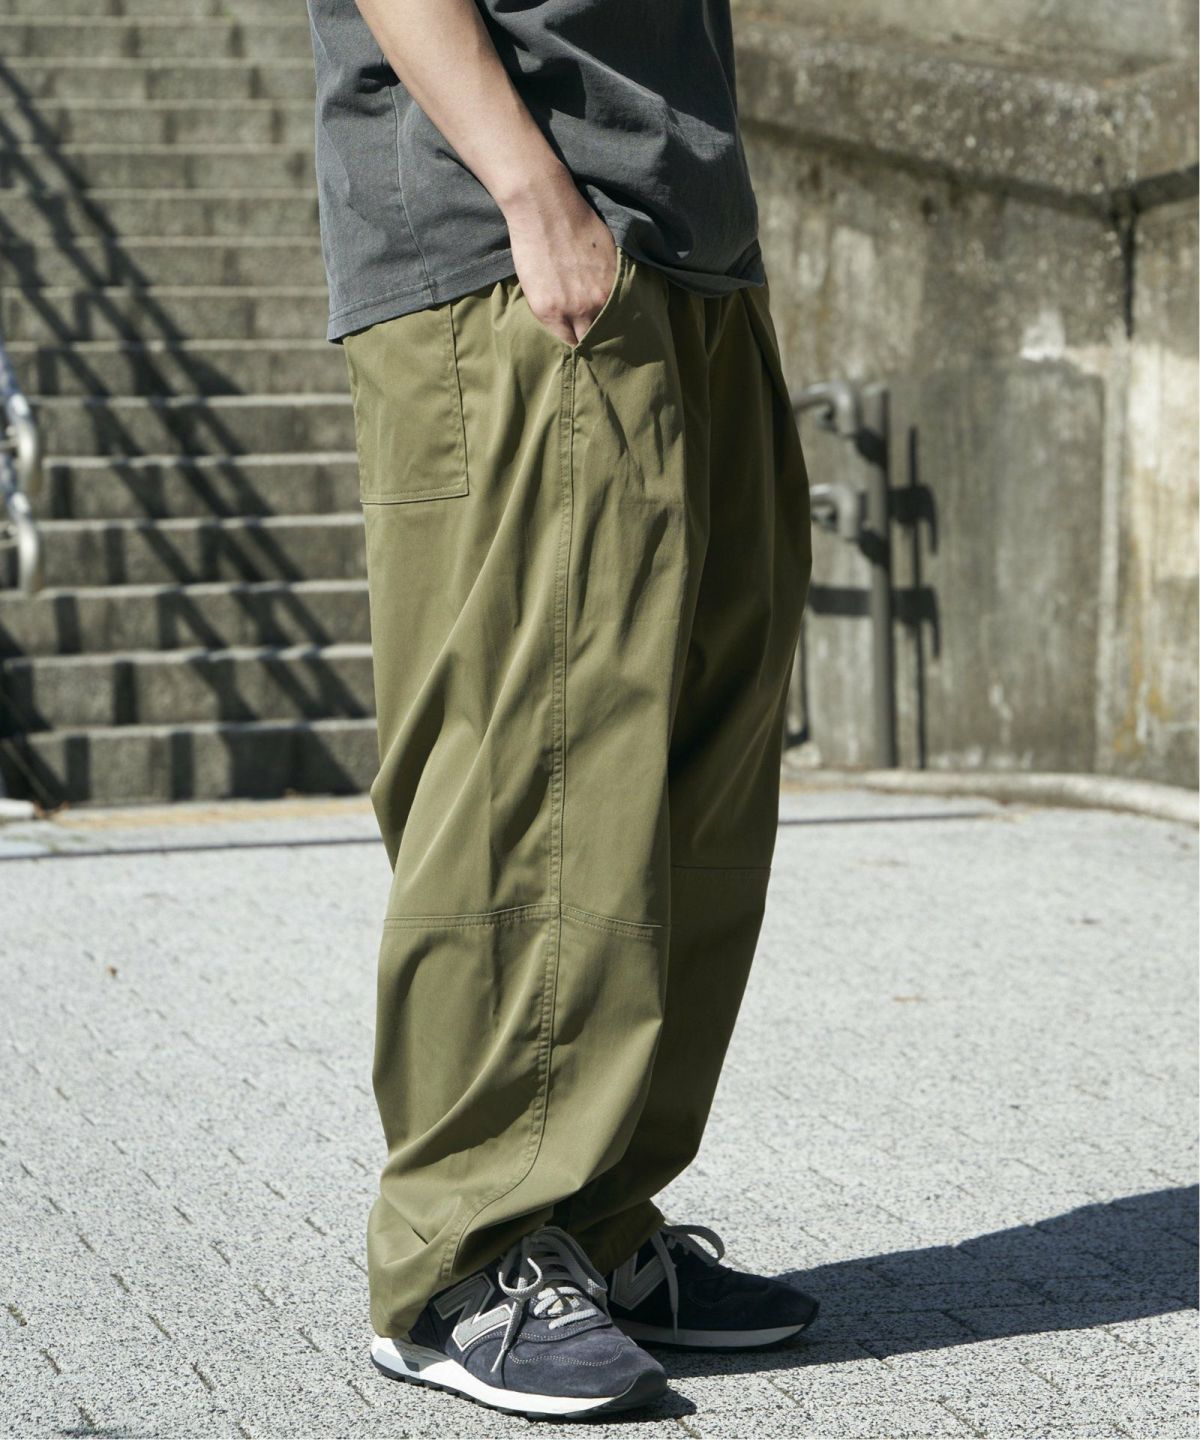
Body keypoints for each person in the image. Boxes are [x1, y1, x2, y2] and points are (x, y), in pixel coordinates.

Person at [305, 0, 816, 1419]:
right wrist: (532, 189)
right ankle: (463, 1257)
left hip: (683, 237)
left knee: (697, 760)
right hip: (519, 237)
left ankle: (591, 1219)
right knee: (540, 760)